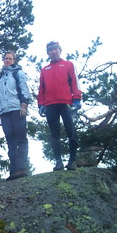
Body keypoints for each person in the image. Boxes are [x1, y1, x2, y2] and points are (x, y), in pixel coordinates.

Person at [38, 41, 82, 171]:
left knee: (71, 130)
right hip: (50, 104)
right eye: (50, 50)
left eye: (55, 49)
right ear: (48, 53)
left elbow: (75, 83)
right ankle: (58, 162)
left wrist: (77, 99)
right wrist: (40, 104)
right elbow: (41, 89)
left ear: (60, 50)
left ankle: (72, 161)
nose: (53, 52)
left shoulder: (68, 65)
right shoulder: (45, 70)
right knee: (54, 134)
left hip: (66, 103)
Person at [0, 51, 31, 180]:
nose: (8, 60)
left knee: (21, 138)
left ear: (14, 60)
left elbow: (24, 89)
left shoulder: (18, 73)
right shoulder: (1, 77)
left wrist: (24, 105)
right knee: (10, 141)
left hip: (16, 109)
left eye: (10, 59)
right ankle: (13, 169)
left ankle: (21, 168)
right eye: (6, 58)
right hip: (4, 111)